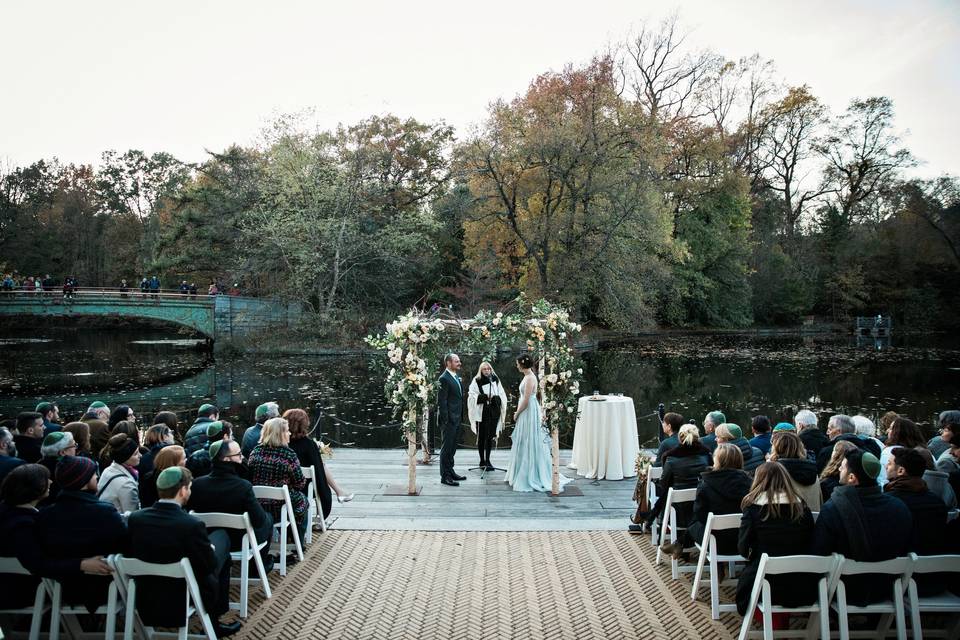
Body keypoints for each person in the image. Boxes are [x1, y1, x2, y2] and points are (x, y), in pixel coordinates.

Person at [127, 467, 241, 638]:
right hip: (184, 592)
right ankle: (214, 621)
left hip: (146, 593)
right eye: (189, 487)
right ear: (182, 491)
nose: (191, 491)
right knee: (222, 546)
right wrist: (209, 549)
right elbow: (209, 565)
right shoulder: (191, 524)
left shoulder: (135, 519)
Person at [0, 464, 112, 610]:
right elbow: (37, 564)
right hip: (25, 590)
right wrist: (82, 564)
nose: (51, 482)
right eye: (45, 480)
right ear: (32, 488)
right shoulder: (22, 525)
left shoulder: (10, 512)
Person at [812, 449, 912, 606]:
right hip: (887, 588)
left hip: (843, 589)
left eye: (843, 467)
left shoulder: (833, 508)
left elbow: (819, 554)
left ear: (852, 478)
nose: (838, 469)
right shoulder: (899, 507)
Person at [34, 456, 128, 613]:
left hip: (64, 588)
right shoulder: (104, 512)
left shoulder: (45, 515)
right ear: (84, 481)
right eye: (93, 474)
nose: (97, 476)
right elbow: (125, 546)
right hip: (106, 588)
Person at [737, 462, 816, 619]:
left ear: (759, 481)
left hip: (766, 584)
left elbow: (743, 548)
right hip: (803, 585)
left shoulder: (753, 509)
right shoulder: (802, 508)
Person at [188, 439, 275, 574]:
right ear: (227, 460)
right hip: (239, 542)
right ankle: (258, 567)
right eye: (239, 455)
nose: (242, 458)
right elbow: (259, 521)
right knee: (267, 518)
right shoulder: (243, 486)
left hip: (210, 539)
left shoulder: (196, 485)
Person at [506, 354, 570, 494]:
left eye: (518, 363)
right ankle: (521, 470)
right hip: (528, 410)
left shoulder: (529, 378)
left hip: (528, 410)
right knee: (525, 439)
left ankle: (531, 473)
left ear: (522, 364)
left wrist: (517, 413)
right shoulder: (528, 376)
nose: (516, 366)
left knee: (530, 438)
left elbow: (527, 399)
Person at [642, 424, 711, 538]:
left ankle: (652, 518)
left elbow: (663, 484)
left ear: (680, 438)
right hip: (701, 505)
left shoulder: (670, 458)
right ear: (697, 437)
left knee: (667, 491)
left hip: (677, 509)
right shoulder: (706, 455)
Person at [248, 417, 309, 545]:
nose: (290, 433)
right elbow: (300, 483)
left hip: (258, 505)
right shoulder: (288, 455)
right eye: (287, 431)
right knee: (303, 501)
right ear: (279, 434)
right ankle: (297, 540)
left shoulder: (255, 452)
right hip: (280, 505)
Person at [685, 443, 752, 556]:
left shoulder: (706, 484)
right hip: (744, 539)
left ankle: (681, 544)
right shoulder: (751, 483)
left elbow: (700, 515)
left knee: (693, 522)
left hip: (715, 542)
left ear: (718, 461)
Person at [284, 408, 351, 516]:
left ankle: (339, 492)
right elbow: (318, 472)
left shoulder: (282, 444)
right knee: (321, 468)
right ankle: (339, 492)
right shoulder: (309, 445)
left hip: (284, 486)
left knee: (321, 466)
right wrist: (325, 492)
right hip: (304, 487)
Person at [467, 361, 508, 471]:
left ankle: (488, 460)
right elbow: (471, 396)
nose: (487, 371)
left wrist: (495, 398)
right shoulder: (477, 381)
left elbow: (502, 394)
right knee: (481, 437)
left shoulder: (495, 379)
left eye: (488, 369)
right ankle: (482, 460)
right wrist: (485, 397)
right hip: (482, 413)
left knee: (489, 437)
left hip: (493, 412)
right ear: (481, 370)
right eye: (484, 369)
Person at [768, 431, 821, 511]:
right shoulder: (813, 471)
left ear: (775, 448)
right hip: (814, 521)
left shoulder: (775, 474)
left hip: (788, 521)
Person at [815, 414, 880, 473]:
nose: (827, 433)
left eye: (830, 429)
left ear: (838, 432)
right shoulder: (868, 450)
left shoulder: (828, 451)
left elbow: (819, 474)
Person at [437, 353, 466, 486]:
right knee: (446, 448)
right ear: (448, 363)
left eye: (459, 361)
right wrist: (446, 420)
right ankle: (445, 476)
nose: (459, 363)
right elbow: (442, 402)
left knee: (453, 448)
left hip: (457, 418)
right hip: (449, 420)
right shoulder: (444, 378)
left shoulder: (455, 377)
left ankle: (451, 471)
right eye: (456, 361)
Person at [97, 433, 141, 513]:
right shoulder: (126, 484)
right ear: (124, 458)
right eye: (135, 454)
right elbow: (132, 515)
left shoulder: (108, 470)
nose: (140, 455)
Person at [877, 416, 926, 486]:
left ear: (898, 433)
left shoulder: (891, 452)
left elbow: (883, 479)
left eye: (891, 428)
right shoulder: (924, 451)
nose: (887, 430)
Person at [38, 431, 78, 506]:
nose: (76, 448)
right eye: (74, 445)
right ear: (62, 452)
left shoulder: (38, 465)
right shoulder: (70, 469)